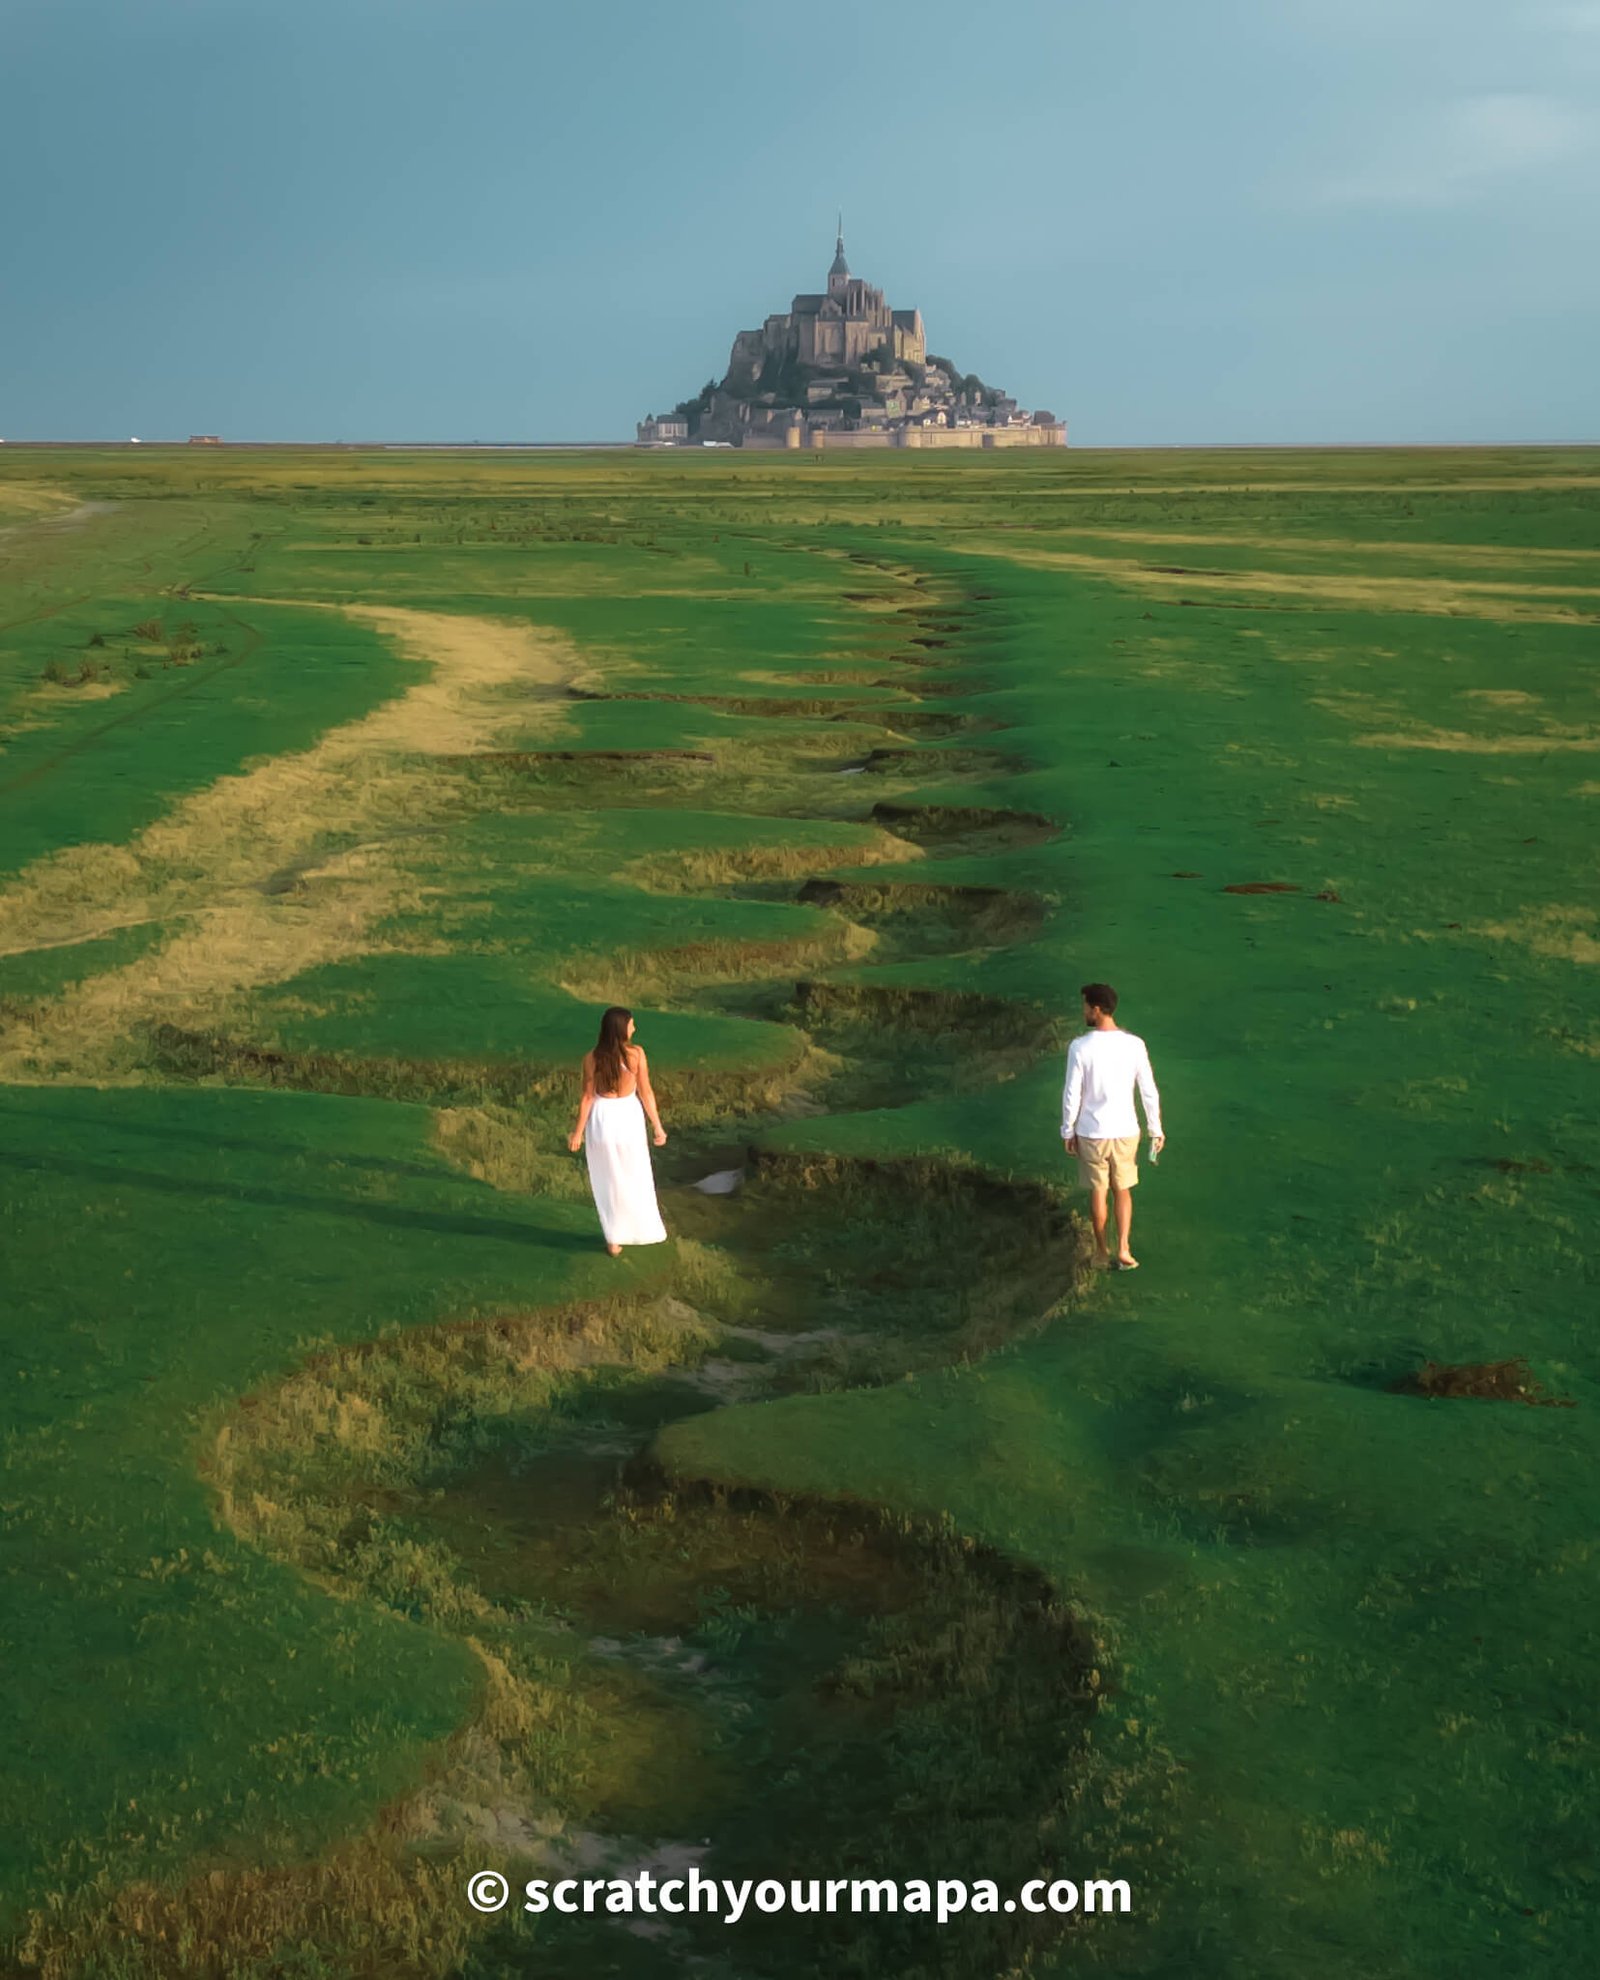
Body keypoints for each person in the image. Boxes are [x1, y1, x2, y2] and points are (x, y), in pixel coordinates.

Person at [1061, 982, 1164, 1272]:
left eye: (1084, 1006)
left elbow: (1072, 1093)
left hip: (1091, 1132)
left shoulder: (1079, 1047)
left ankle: (1102, 1252)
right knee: (1123, 1190)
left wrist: (1067, 1130)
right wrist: (1155, 1128)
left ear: (1096, 1009)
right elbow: (1148, 1090)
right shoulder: (1134, 1045)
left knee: (1098, 1191)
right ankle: (1124, 1249)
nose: (1082, 1011)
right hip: (1125, 1130)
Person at [568, 1006, 668, 1255]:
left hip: (602, 1120)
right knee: (635, 1176)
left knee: (607, 1180)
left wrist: (577, 1133)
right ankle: (633, 1229)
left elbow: (587, 1098)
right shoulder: (636, 1055)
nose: (634, 1027)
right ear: (622, 1028)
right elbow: (646, 1092)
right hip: (628, 1120)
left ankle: (613, 1239)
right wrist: (657, 1126)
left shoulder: (591, 1058)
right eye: (632, 1024)